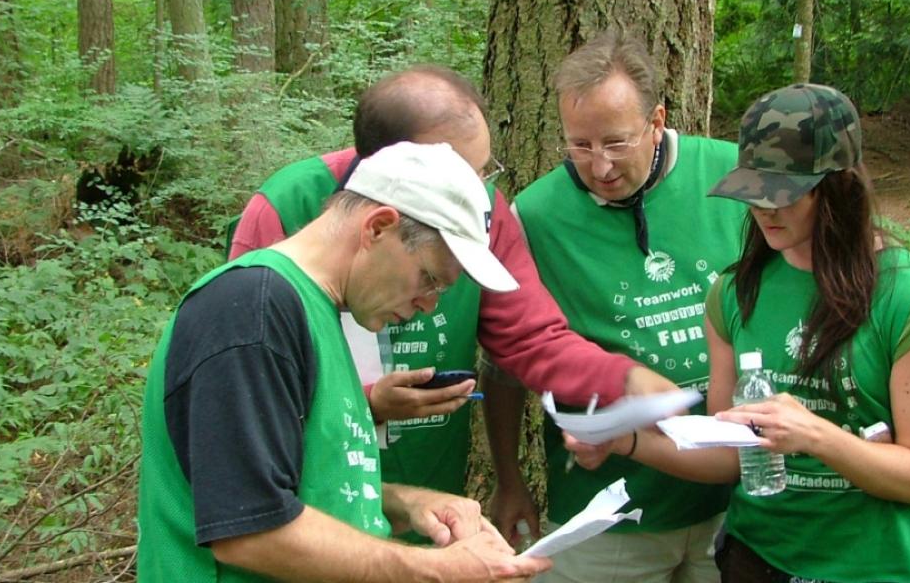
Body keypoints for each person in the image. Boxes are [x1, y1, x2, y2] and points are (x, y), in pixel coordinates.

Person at [227, 65, 676, 545]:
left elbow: (528, 334)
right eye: (465, 172)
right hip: (301, 512)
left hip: (428, 491)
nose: (479, 189)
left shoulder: (482, 211)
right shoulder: (286, 208)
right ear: (391, 167)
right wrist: (367, 403)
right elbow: (249, 396)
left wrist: (620, 380)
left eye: (485, 171)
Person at [567, 83, 910, 582]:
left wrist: (815, 436)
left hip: (882, 565)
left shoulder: (908, 299)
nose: (765, 211)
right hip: (761, 559)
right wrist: (623, 442)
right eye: (754, 194)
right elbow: (732, 454)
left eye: (784, 196)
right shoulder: (735, 294)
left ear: (838, 187)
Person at [137, 142, 550, 582]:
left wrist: (407, 502)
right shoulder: (250, 311)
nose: (429, 305)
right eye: (428, 278)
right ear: (378, 227)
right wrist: (438, 569)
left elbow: (308, 486)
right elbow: (249, 529)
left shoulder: (316, 312)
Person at [509, 29, 746, 582]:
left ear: (657, 121)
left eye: (617, 143)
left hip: (732, 504)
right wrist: (509, 478)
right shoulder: (536, 216)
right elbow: (507, 359)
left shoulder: (729, 177)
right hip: (608, 514)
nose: (600, 165)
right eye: (580, 145)